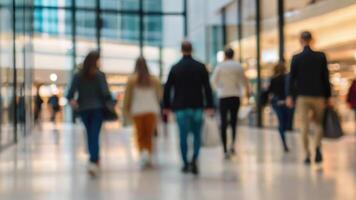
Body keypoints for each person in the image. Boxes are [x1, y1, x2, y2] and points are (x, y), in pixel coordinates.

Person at [163, 41, 214, 175]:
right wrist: (209, 105)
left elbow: (167, 88)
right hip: (197, 106)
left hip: (180, 107)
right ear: (192, 50)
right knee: (197, 135)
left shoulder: (175, 67)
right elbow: (207, 88)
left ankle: (185, 163)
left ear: (181, 50)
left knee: (183, 136)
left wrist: (166, 106)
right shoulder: (200, 67)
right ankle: (195, 159)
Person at [286, 31, 332, 165]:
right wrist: (328, 96)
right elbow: (325, 78)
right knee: (318, 124)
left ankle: (307, 154)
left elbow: (291, 79)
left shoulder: (296, 58)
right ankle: (317, 147)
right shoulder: (321, 56)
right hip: (319, 96)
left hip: (303, 97)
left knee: (304, 126)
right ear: (312, 40)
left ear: (301, 40)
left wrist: (290, 95)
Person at [67, 51, 111, 176]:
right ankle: (94, 159)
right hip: (97, 109)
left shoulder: (78, 75)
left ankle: (93, 158)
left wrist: (74, 103)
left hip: (84, 109)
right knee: (94, 134)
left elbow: (70, 94)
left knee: (90, 134)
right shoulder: (99, 75)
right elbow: (106, 93)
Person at [211, 48, 251, 159]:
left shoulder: (220, 66)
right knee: (233, 122)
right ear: (233, 55)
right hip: (235, 96)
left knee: (224, 123)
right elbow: (244, 82)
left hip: (223, 96)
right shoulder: (238, 66)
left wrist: (219, 89)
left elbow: (213, 81)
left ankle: (224, 149)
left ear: (225, 55)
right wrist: (243, 93)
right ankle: (232, 145)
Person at [123, 57, 162, 169]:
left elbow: (127, 98)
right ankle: (148, 154)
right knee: (148, 134)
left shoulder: (132, 80)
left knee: (140, 134)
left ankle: (142, 153)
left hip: (137, 110)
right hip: (151, 110)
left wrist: (126, 110)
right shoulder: (154, 79)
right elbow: (159, 95)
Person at [267, 62, 289, 152]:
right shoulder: (287, 78)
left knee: (281, 121)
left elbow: (270, 91)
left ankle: (284, 141)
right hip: (285, 101)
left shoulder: (273, 79)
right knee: (284, 120)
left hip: (277, 102)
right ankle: (284, 139)